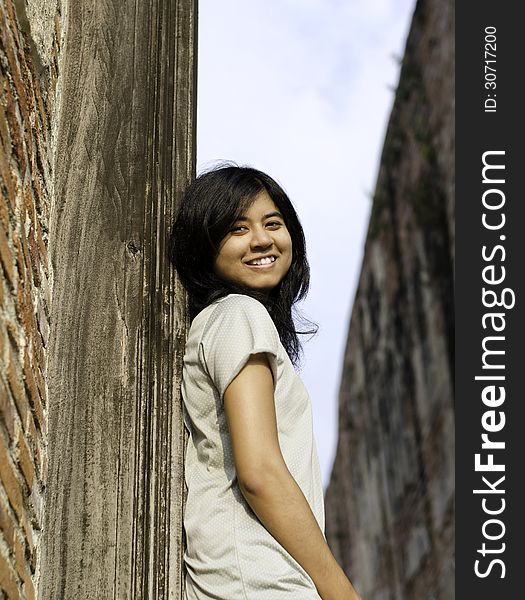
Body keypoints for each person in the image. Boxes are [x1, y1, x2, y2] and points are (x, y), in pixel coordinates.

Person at [169, 165, 361, 600]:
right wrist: (339, 590)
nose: (261, 239)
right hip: (260, 582)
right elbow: (260, 473)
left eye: (272, 223)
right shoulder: (239, 314)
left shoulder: (224, 322)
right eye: (237, 228)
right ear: (205, 247)